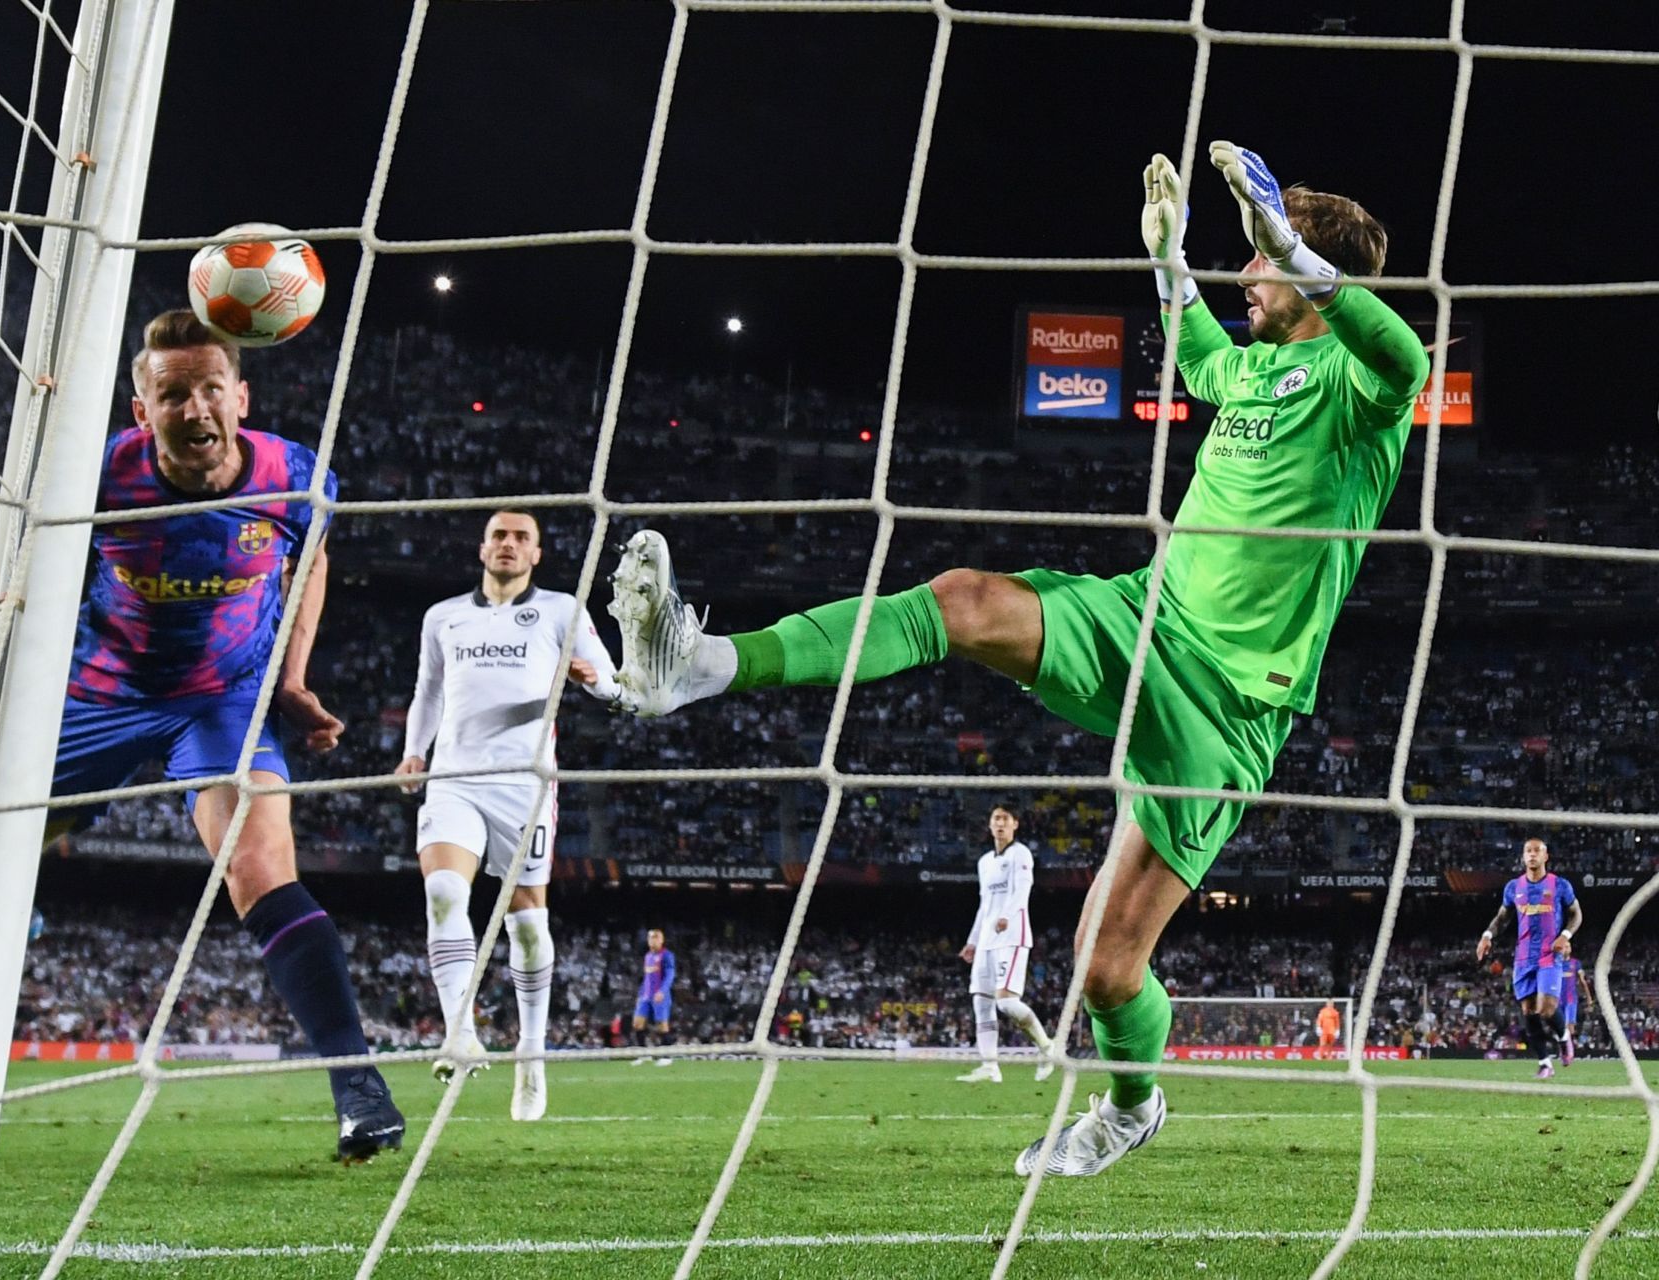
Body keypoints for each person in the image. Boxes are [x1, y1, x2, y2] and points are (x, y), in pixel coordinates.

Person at [604, 141, 1428, 1178]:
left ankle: (1132, 1104)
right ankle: (700, 660)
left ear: (1301, 261)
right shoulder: (1254, 365)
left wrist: (1296, 255)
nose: (1244, 277)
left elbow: (1412, 361)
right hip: (1144, 618)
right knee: (961, 598)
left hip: (1229, 709)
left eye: (1255, 261)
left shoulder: (1360, 388)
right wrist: (1167, 260)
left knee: (1107, 970)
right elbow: (1198, 351)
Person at [49, 310, 402, 1162]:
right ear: (145, 411)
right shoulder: (98, 475)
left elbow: (311, 555)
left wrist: (291, 678)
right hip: (103, 692)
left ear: (240, 396)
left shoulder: (293, 476)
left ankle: (359, 1089)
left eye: (212, 388)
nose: (197, 408)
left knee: (259, 866)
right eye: (174, 394)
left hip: (223, 700)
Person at [395, 510, 620, 1121]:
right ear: (482, 547)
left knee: (526, 924)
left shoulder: (561, 610)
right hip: (453, 780)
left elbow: (614, 685)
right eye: (499, 534)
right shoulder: (443, 616)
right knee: (443, 891)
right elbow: (430, 692)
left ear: (537, 554)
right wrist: (416, 751)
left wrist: (589, 678)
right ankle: (459, 1030)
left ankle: (531, 1053)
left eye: (521, 537)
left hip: (525, 786)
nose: (509, 544)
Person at [956, 803, 1053, 1084]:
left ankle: (1047, 1048)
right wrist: (972, 941)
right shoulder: (985, 861)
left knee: (1007, 1003)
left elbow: (1023, 890)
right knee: (981, 1003)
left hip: (1011, 936)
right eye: (995, 818)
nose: (1000, 823)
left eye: (1005, 819)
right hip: (986, 939)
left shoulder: (1020, 854)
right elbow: (984, 905)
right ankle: (990, 1067)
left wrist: (1007, 917)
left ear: (1015, 824)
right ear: (989, 825)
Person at [1477, 838, 1582, 1078]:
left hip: (1549, 954)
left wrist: (1565, 935)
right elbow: (1502, 918)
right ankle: (1545, 1063)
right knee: (1528, 1011)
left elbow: (1576, 914)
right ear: (1523, 857)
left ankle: (1564, 1038)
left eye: (1537, 851)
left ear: (1546, 857)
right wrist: (1487, 936)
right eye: (1528, 851)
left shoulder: (1560, 885)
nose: (1532, 855)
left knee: (1546, 1008)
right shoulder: (1514, 887)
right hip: (1524, 957)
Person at [632, 928, 677, 1065]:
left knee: (662, 1025)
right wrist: (640, 994)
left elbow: (670, 975)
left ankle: (666, 1056)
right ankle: (643, 1054)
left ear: (662, 940)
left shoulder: (667, 955)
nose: (653, 940)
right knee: (638, 1024)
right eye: (651, 937)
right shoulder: (648, 956)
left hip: (660, 995)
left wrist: (662, 991)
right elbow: (647, 978)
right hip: (646, 995)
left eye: (656, 937)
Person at [1558, 951, 1592, 1066]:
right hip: (1558, 999)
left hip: (1571, 999)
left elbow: (1583, 981)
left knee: (1570, 1026)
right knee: (1560, 1028)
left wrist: (1589, 998)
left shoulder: (1576, 963)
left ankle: (1569, 1053)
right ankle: (1563, 1052)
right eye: (1564, 947)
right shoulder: (1555, 963)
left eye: (1568, 946)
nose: (1566, 949)